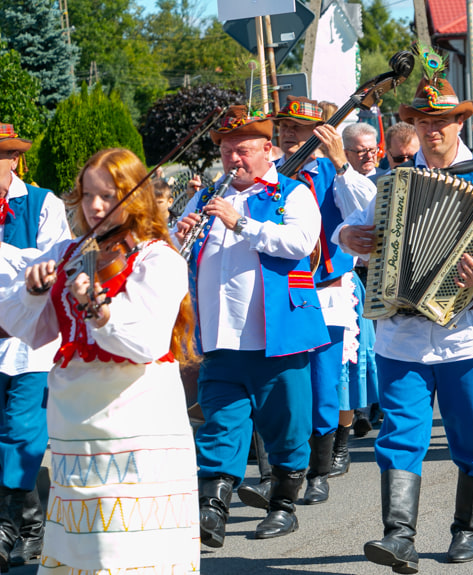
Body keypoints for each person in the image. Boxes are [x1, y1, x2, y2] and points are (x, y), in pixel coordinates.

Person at [335, 56, 473, 571]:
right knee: (399, 434)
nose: (434, 130)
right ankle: (398, 536)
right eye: (424, 122)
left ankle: (468, 527)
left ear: (459, 122)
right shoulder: (394, 181)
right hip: (402, 335)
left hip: (467, 335)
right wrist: (346, 237)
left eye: (442, 122)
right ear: (413, 127)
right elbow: (351, 228)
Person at [0, 147, 199, 571]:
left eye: (108, 196)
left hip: (136, 413)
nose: (94, 206)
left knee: (123, 540)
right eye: (88, 195)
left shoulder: (158, 257)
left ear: (133, 195)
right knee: (81, 540)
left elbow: (144, 342)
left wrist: (102, 310)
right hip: (75, 414)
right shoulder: (68, 251)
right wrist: (33, 291)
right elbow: (29, 329)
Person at [175, 105, 329, 545]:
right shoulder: (205, 198)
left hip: (277, 335)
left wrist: (240, 222)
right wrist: (178, 234)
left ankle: (283, 505)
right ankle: (212, 509)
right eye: (225, 152)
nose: (233, 160)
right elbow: (169, 253)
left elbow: (299, 242)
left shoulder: (291, 194)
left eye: (241, 150)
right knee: (221, 423)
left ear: (269, 150)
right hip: (220, 337)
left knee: (287, 423)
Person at [272, 96, 377, 504]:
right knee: (283, 385)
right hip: (285, 291)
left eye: (298, 128)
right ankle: (280, 471)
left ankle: (319, 471)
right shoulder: (274, 177)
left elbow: (367, 208)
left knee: (323, 382)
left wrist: (340, 163)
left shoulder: (335, 176)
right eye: (285, 128)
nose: (289, 134)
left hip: (330, 288)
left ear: (320, 135)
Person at [0, 123, 70, 569]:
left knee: (21, 432)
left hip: (28, 344)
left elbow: (51, 265)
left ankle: (11, 526)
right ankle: (27, 521)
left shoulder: (44, 204)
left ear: (13, 161)